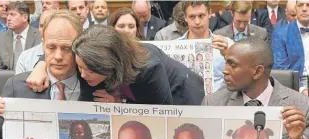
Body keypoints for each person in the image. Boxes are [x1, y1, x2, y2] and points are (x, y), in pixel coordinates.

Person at [0, 9, 94, 139]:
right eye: (51, 47)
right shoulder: (17, 87)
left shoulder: (95, 86)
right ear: (42, 42)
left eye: (66, 48)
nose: (58, 56)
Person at [28, 25, 205, 105]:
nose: (81, 75)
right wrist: (41, 65)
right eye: (79, 67)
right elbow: (58, 52)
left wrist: (121, 102)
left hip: (181, 93)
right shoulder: (86, 58)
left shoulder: (150, 69)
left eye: (89, 70)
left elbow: (160, 115)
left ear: (109, 66)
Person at [202, 37, 309, 139]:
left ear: (257, 72)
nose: (224, 70)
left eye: (232, 65)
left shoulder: (303, 106)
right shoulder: (212, 104)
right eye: (226, 62)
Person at [178, 1, 234, 93]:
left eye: (201, 16)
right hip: (187, 103)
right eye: (192, 17)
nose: (197, 22)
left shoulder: (226, 44)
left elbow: (241, 78)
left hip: (219, 103)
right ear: (185, 17)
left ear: (210, 13)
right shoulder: (175, 47)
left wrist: (228, 55)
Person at [272, 0, 309, 96]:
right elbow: (281, 68)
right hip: (296, 84)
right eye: (300, 5)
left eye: (308, 5)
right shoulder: (281, 34)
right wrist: (302, 89)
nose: (304, 9)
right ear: (295, 8)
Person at [0, 1, 41, 70]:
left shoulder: (39, 36)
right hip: (7, 79)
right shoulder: (0, 38)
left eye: (12, 14)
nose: (8, 18)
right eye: (8, 15)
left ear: (24, 17)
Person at [15, 9, 56, 74]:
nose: (44, 30)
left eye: (48, 25)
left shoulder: (69, 55)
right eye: (41, 26)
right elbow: (18, 83)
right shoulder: (25, 57)